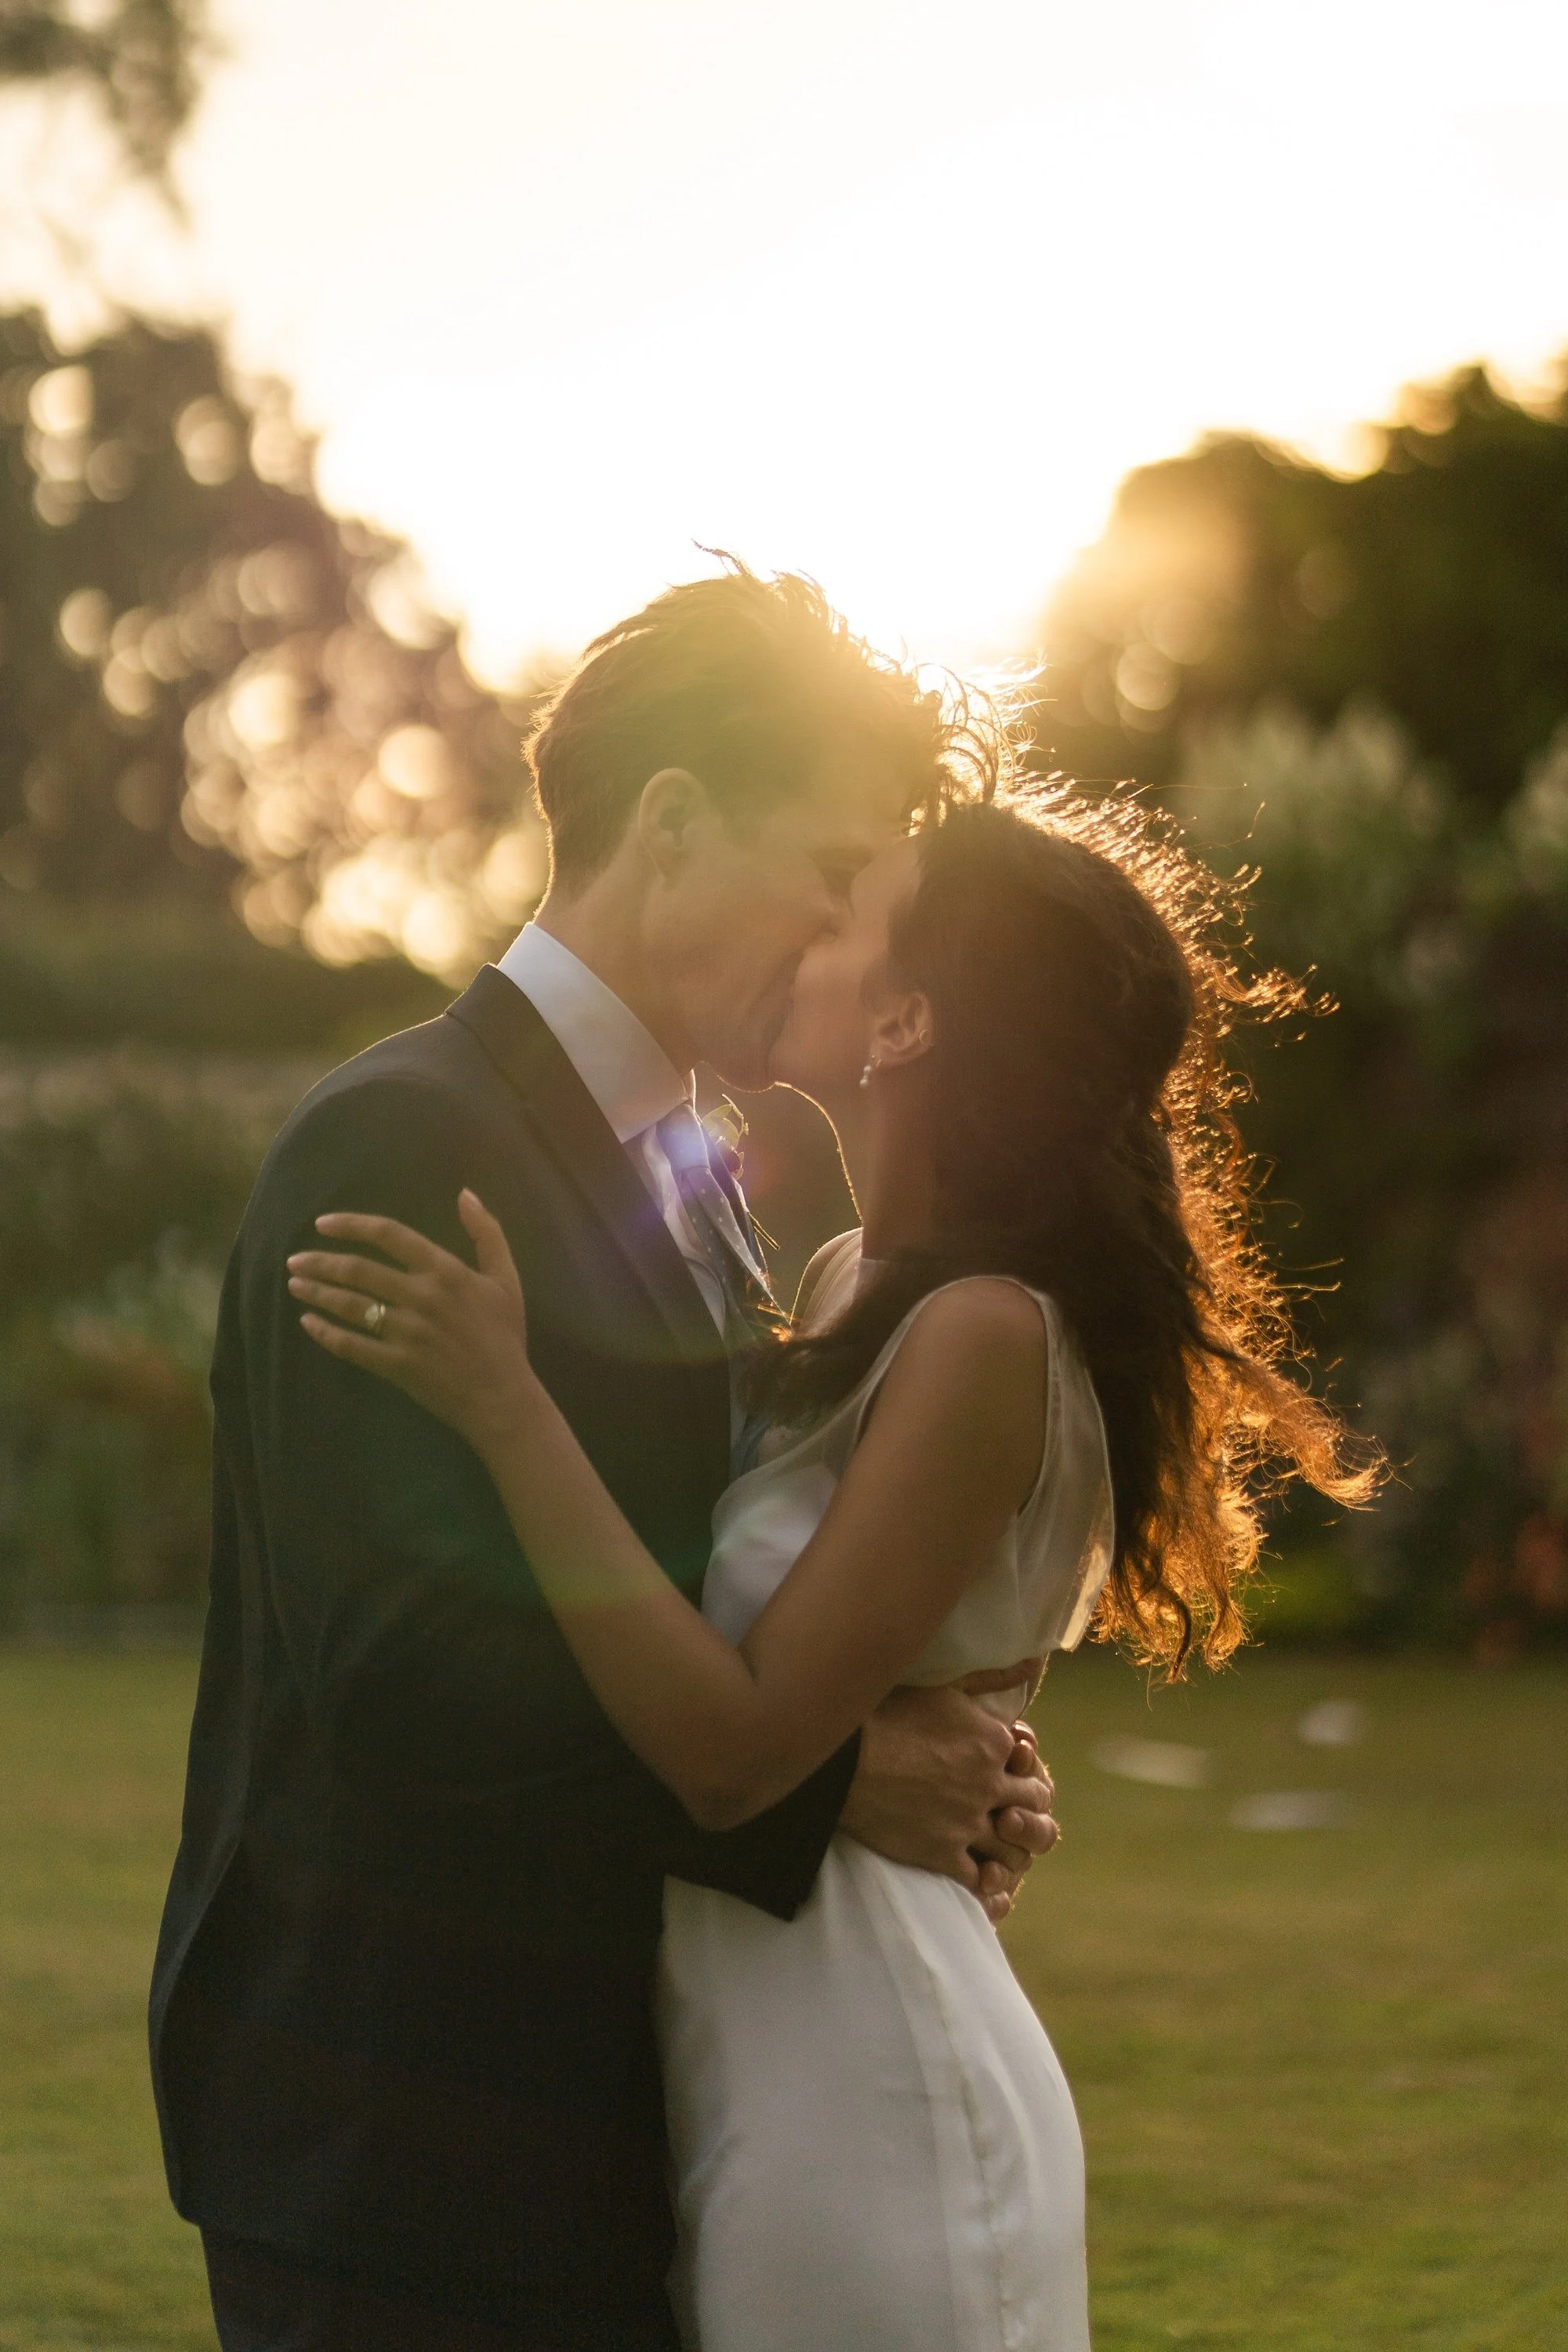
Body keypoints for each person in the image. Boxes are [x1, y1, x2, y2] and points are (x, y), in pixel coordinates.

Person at [288, 786, 1376, 2350]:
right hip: (748, 2064)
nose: (813, 917)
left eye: (856, 902)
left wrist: (505, 1403)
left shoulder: (984, 1333)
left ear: (910, 1016)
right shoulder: (847, 1281)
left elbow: (733, 1753)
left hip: (876, 2082)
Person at [149, 566, 1061, 2352]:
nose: (846, 930)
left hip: (609, 2109)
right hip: (398, 2132)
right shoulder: (407, 1145)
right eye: (824, 870)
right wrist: (826, 1787)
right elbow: (405, 1679)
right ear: (671, 819)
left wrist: (949, 1756)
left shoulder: (693, 1167)